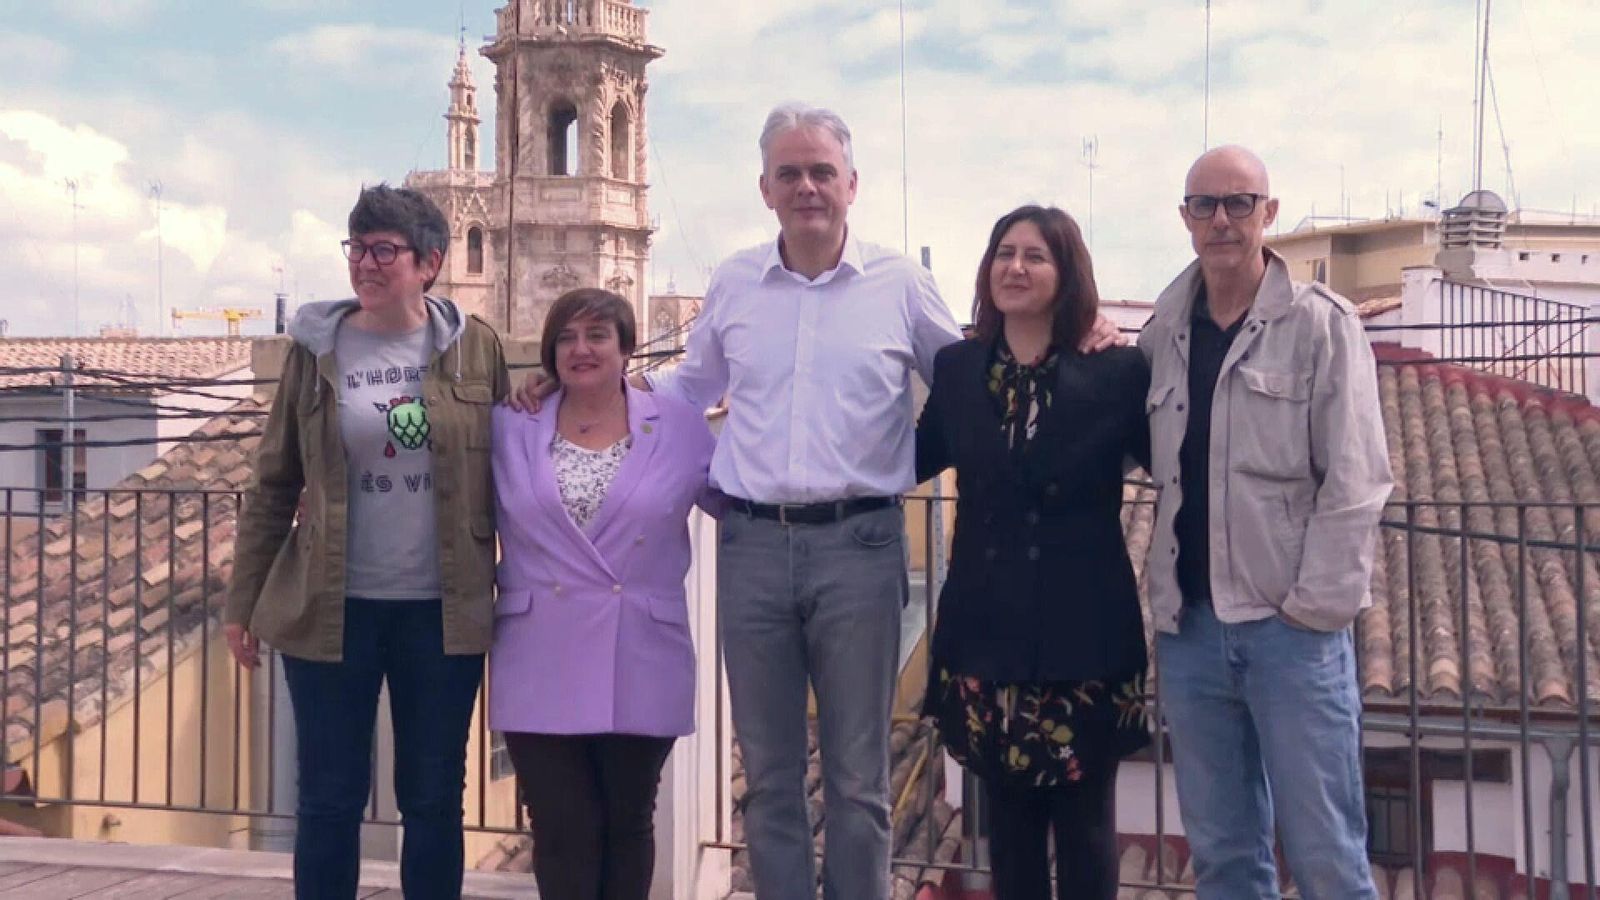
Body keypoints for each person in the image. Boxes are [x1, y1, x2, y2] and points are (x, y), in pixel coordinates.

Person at [511, 102, 1120, 899]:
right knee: (768, 777)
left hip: (859, 546)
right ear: (764, 188)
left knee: (858, 780)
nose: (807, 187)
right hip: (754, 546)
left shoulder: (900, 284)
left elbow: (977, 374)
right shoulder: (734, 281)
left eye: (821, 172)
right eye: (790, 173)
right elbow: (690, 389)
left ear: (852, 185)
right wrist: (574, 388)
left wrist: (1083, 332)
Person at [224, 184, 509, 900]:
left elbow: (513, 467)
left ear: (429, 263)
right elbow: (273, 483)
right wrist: (243, 600)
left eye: (384, 249)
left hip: (440, 614)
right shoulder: (316, 352)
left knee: (435, 798)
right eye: (357, 248)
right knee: (327, 796)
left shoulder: (476, 350)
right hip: (330, 609)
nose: (365, 264)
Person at [1138, 146, 1392, 899]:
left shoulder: (1321, 326)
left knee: (1326, 860)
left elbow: (1356, 478)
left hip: (1291, 636)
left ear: (1268, 213)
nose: (1221, 219)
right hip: (1189, 632)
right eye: (1205, 205)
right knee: (1224, 858)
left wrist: (1312, 613)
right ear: (1184, 218)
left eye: (1239, 203)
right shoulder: (1164, 331)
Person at [916, 205, 1150, 899]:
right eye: (1004, 254)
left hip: (1084, 637)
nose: (1014, 268)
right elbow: (911, 454)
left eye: (1034, 256)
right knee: (1008, 833)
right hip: (987, 634)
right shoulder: (958, 368)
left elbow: (1176, 458)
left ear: (1065, 272)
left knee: (1084, 831)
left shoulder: (1117, 370)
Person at [489, 288, 717, 899]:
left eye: (596, 336)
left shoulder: (682, 429)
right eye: (566, 338)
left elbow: (741, 503)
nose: (580, 349)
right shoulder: (511, 422)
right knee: (561, 825)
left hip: (641, 648)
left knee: (626, 821)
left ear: (626, 348)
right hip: (539, 649)